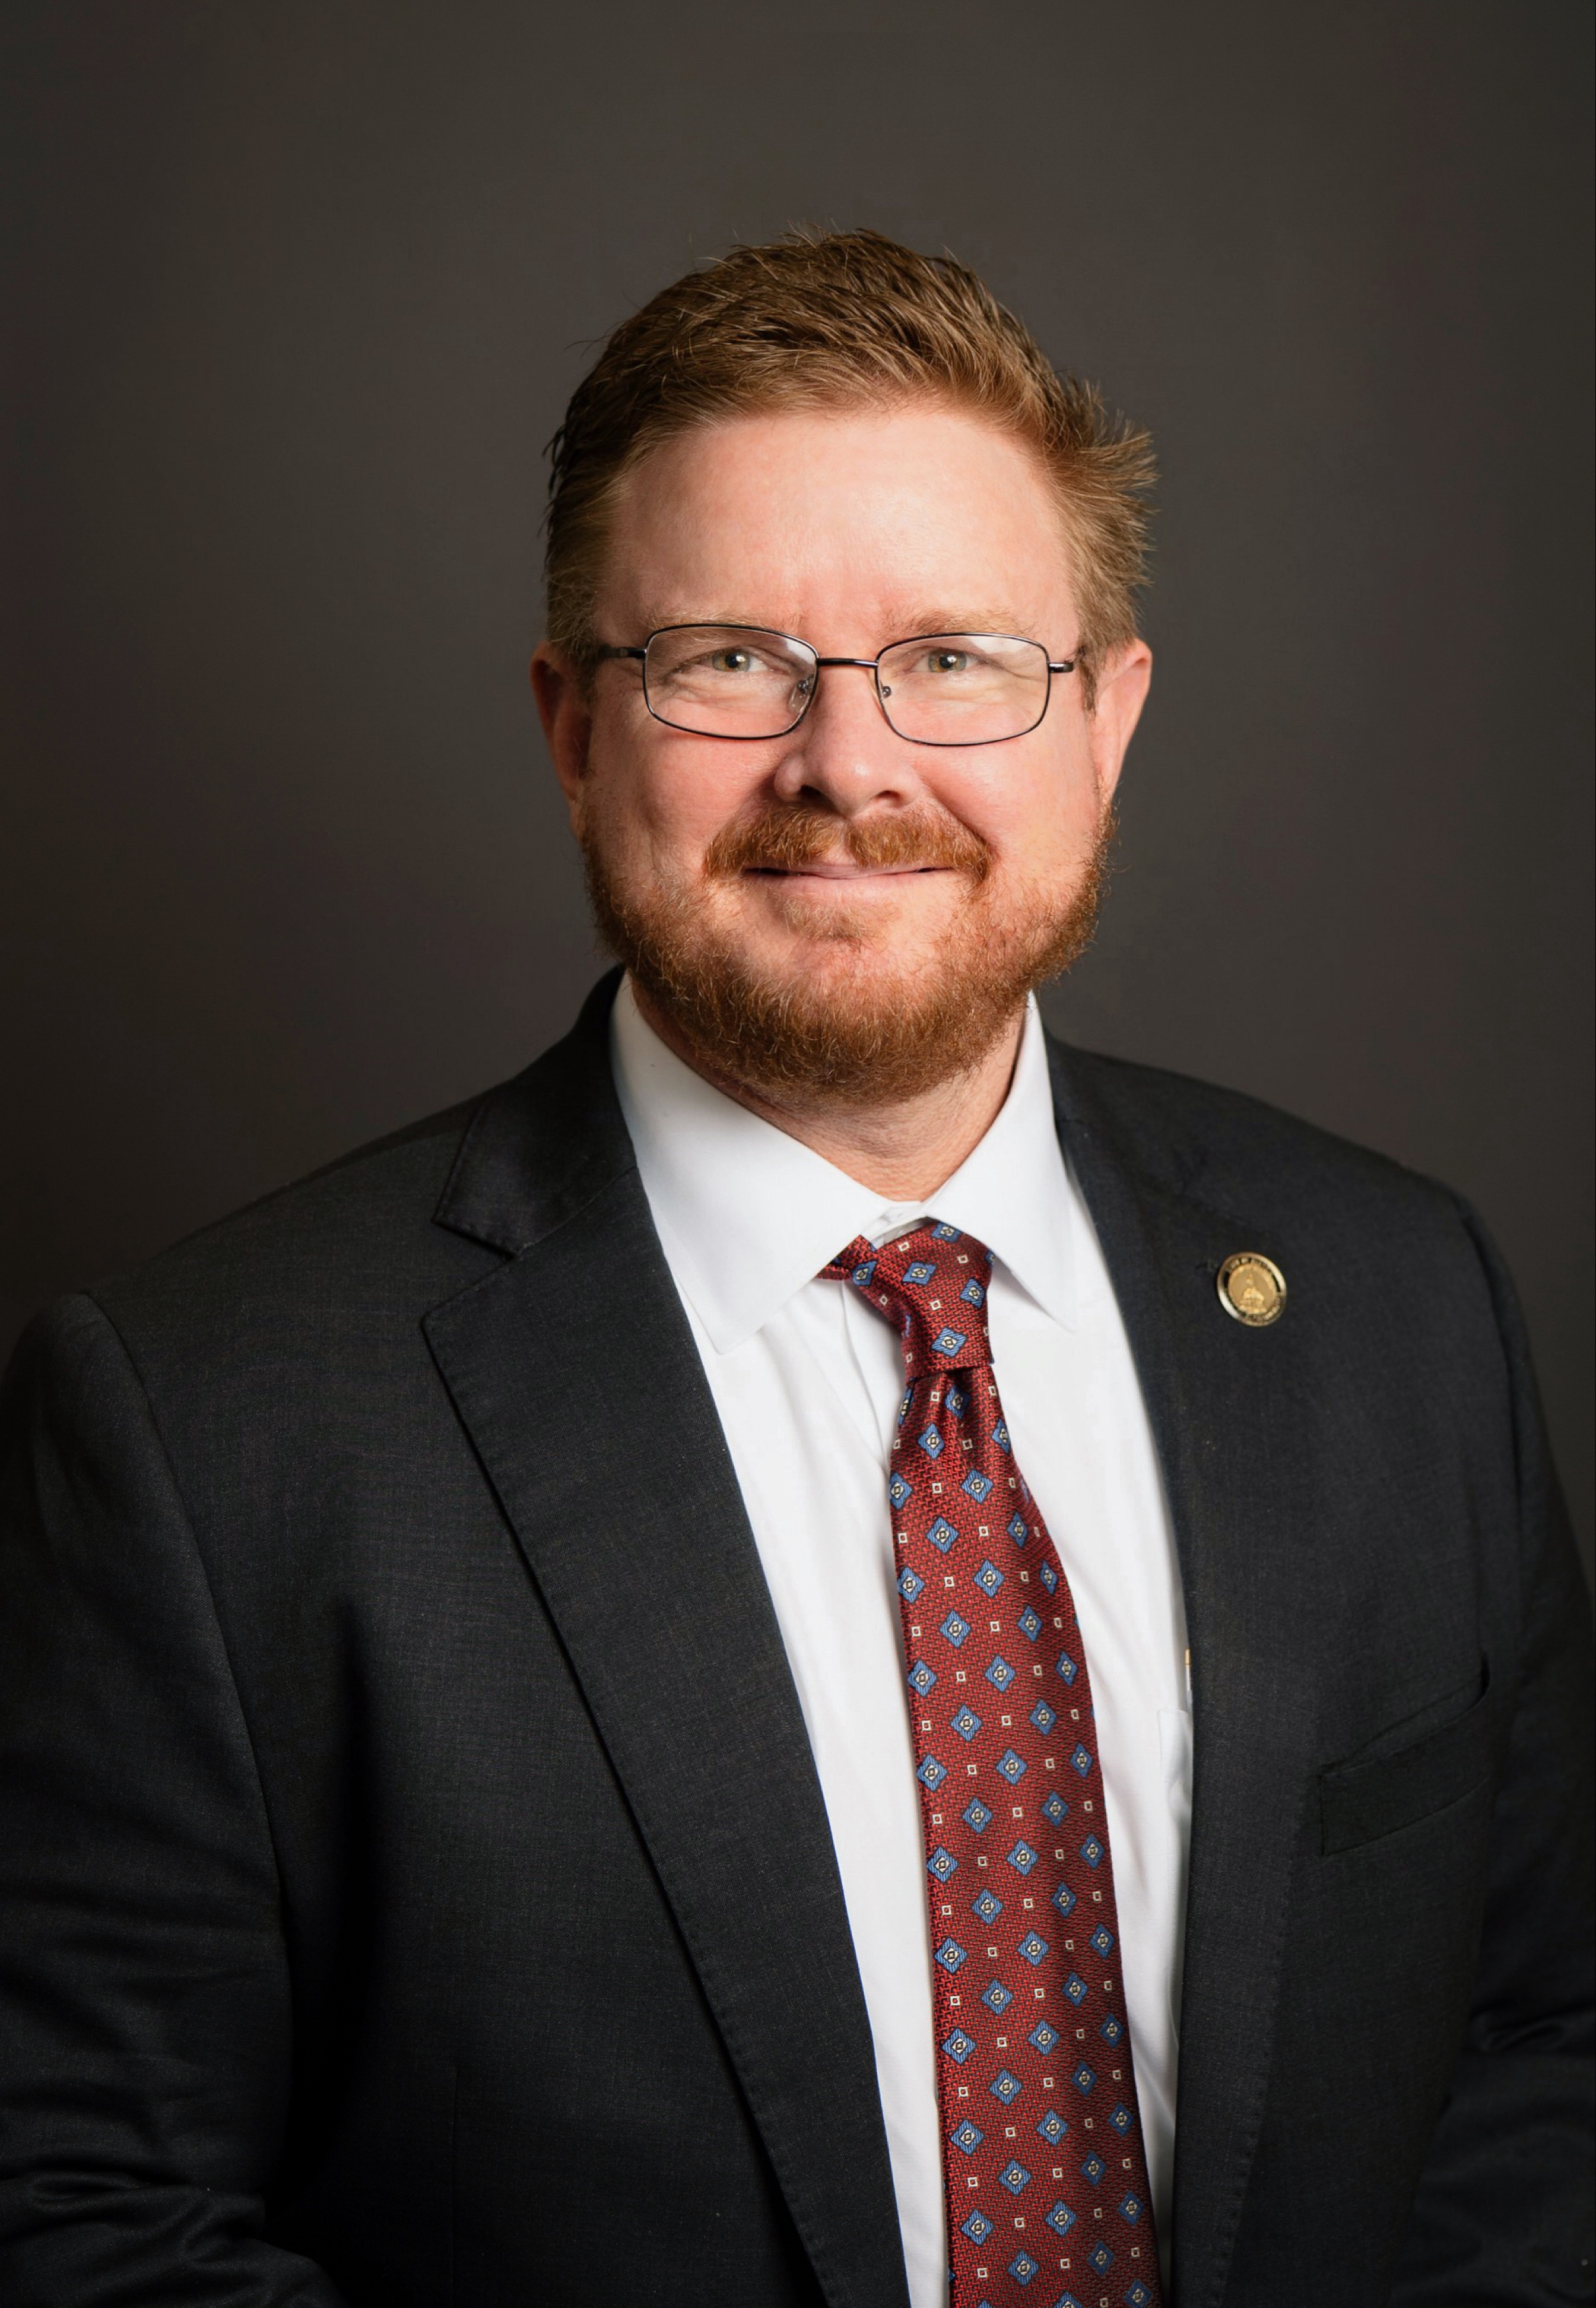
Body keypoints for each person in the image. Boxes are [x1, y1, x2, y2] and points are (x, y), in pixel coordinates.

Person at [0, 230, 1589, 2308]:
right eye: (729, 659)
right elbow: (82, 2214)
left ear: (1103, 723)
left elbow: (1543, 2037)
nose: (849, 767)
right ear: (575, 731)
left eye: (956, 657)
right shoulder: (202, 1419)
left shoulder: (1401, 1301)